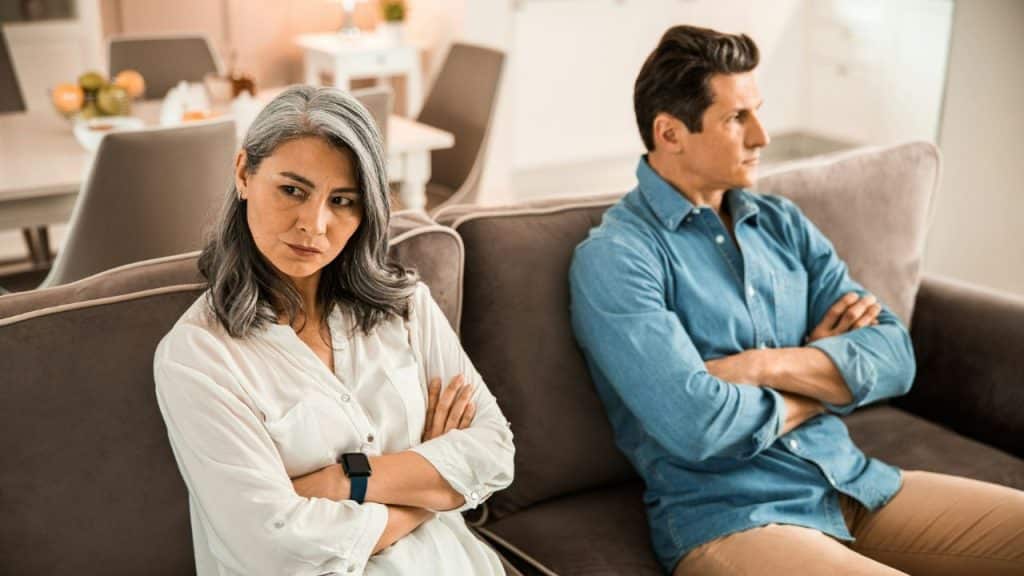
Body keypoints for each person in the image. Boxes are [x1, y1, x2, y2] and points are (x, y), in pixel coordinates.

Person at [569, 25, 1024, 576]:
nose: (762, 136)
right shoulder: (617, 257)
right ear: (670, 133)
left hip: (849, 480)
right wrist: (824, 385)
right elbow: (698, 424)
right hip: (735, 518)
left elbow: (895, 358)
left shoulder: (780, 223)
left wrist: (762, 365)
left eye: (757, 112)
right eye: (736, 118)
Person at [153, 85, 515, 576]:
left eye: (342, 200)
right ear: (243, 173)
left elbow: (494, 453)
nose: (315, 224)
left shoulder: (406, 306)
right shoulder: (198, 357)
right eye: (292, 190)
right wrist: (429, 492)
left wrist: (346, 481)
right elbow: (274, 547)